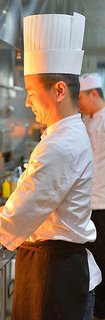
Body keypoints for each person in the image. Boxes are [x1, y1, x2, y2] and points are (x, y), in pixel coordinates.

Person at [0, 12, 102, 320]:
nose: (27, 102)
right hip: (50, 271)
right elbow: (25, 204)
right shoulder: (62, 135)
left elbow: (14, 218)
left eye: (31, 93)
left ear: (59, 91)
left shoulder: (61, 145)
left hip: (56, 278)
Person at [79, 73, 105, 320]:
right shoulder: (86, 121)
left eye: (81, 97)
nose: (79, 104)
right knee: (95, 258)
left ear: (94, 93)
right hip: (89, 203)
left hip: (103, 203)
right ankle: (97, 309)